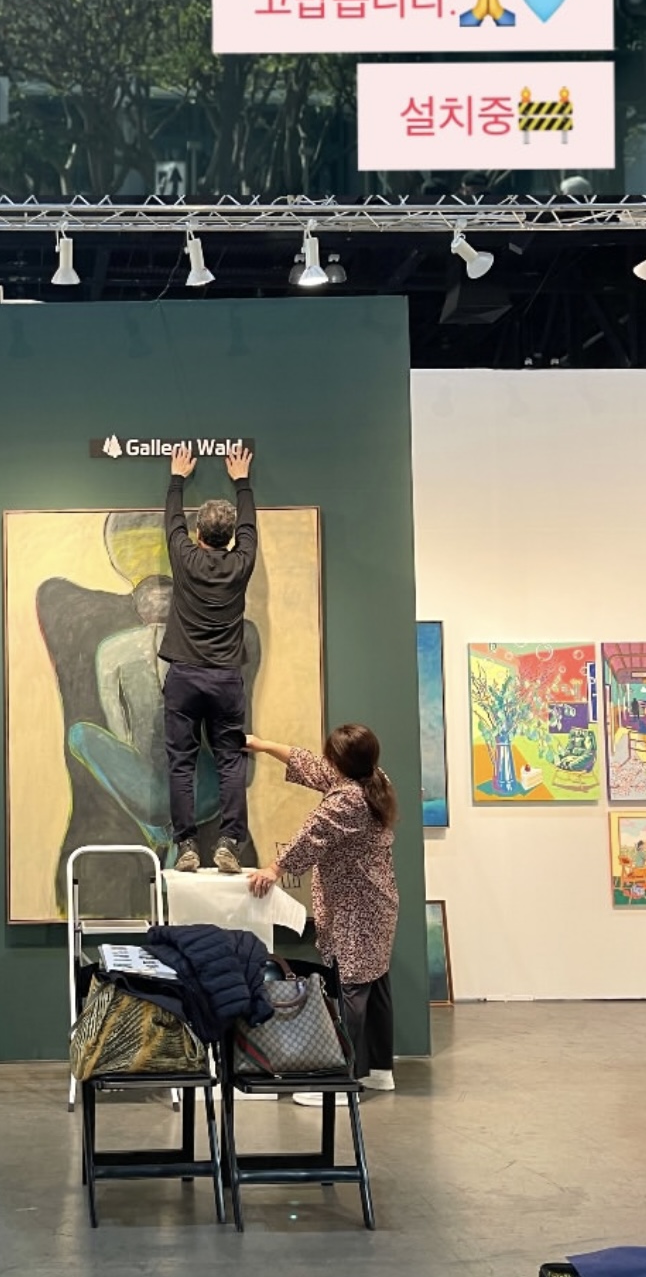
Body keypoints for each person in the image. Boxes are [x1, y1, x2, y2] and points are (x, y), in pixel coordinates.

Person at [247, 724, 399, 1098]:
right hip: (374, 902)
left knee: (351, 990)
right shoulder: (373, 779)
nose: (326, 761)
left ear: (342, 762)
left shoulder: (348, 801)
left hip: (356, 908)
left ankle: (339, 1080)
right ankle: (378, 1070)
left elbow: (311, 835)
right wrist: (263, 745)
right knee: (374, 983)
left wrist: (274, 869)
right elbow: (312, 766)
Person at [160, 440, 257, 875]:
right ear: (230, 538)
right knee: (230, 760)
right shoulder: (241, 564)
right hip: (225, 680)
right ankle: (230, 843)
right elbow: (250, 530)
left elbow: (172, 523)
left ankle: (186, 846)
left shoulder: (185, 559)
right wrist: (243, 482)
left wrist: (177, 478)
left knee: (181, 763)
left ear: (198, 535)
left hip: (184, 677)